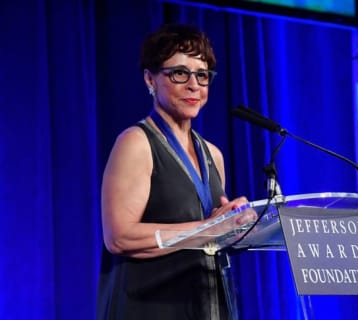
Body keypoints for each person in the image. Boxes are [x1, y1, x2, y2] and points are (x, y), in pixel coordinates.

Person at [97, 24, 255, 320]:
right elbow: (119, 237)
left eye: (202, 75)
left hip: (207, 304)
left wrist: (240, 225)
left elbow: (213, 235)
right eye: (180, 73)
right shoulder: (136, 143)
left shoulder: (213, 154)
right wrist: (208, 229)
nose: (194, 85)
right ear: (150, 79)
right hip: (151, 306)